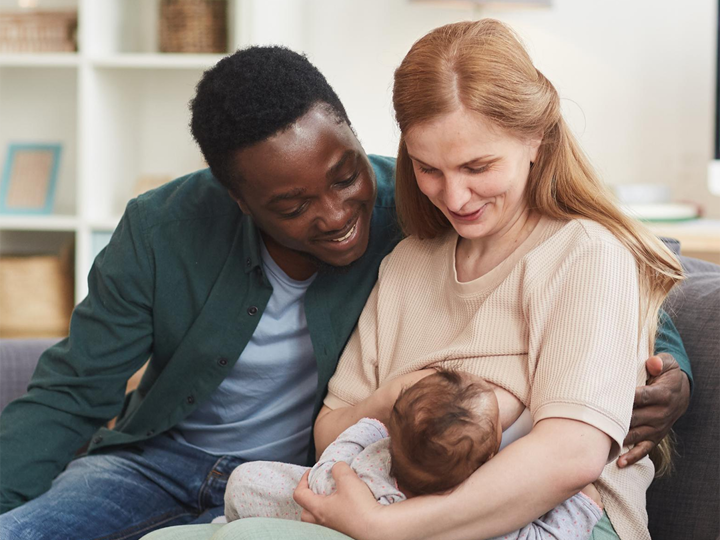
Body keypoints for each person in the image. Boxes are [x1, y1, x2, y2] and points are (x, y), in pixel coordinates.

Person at [0, 44, 689, 540]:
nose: (334, 214)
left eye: (343, 174)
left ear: (358, 141)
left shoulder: (427, 210)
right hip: (185, 466)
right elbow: (69, 391)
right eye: (292, 203)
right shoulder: (167, 229)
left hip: (348, 485)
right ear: (238, 199)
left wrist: (671, 370)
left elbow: (599, 294)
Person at [291, 19, 686, 540]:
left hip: (561, 521)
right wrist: (399, 396)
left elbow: (570, 456)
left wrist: (389, 527)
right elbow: (329, 434)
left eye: (477, 166)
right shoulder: (408, 263)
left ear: (535, 141)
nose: (454, 198)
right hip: (387, 502)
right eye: (428, 169)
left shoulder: (585, 253)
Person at [222, 369, 604, 540]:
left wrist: (374, 429)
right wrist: (585, 499)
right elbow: (551, 534)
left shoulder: (367, 464)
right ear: (491, 459)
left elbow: (333, 460)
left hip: (336, 508)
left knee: (246, 480)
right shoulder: (492, 521)